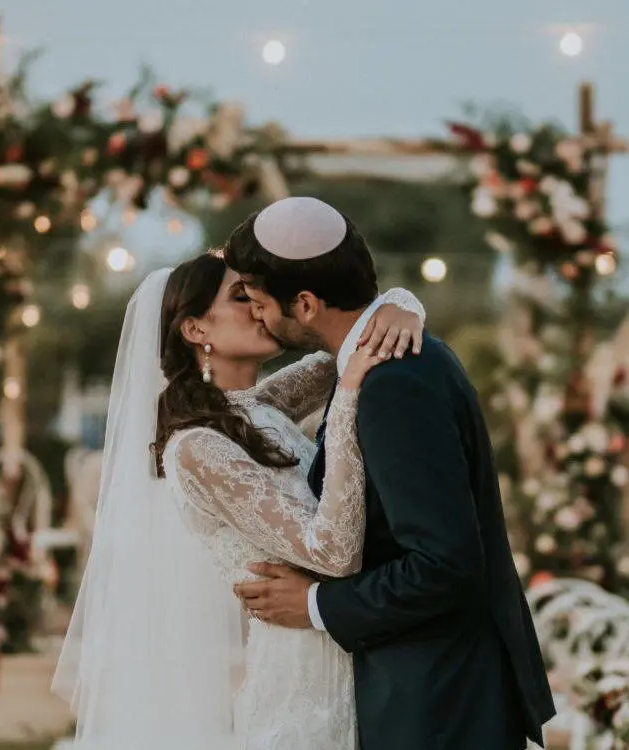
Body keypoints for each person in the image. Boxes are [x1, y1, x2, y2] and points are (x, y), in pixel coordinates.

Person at [51, 249, 425, 749]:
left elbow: (356, 338)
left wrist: (404, 305)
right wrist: (348, 401)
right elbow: (332, 551)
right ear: (195, 330)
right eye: (239, 296)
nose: (258, 305)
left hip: (351, 652)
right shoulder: (196, 448)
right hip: (302, 678)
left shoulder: (261, 406)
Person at [228, 196, 556, 749]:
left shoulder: (392, 384)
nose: (256, 314)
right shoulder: (384, 358)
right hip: (424, 687)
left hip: (439, 701)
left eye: (259, 302)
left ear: (305, 303)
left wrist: (313, 604)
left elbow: (444, 564)